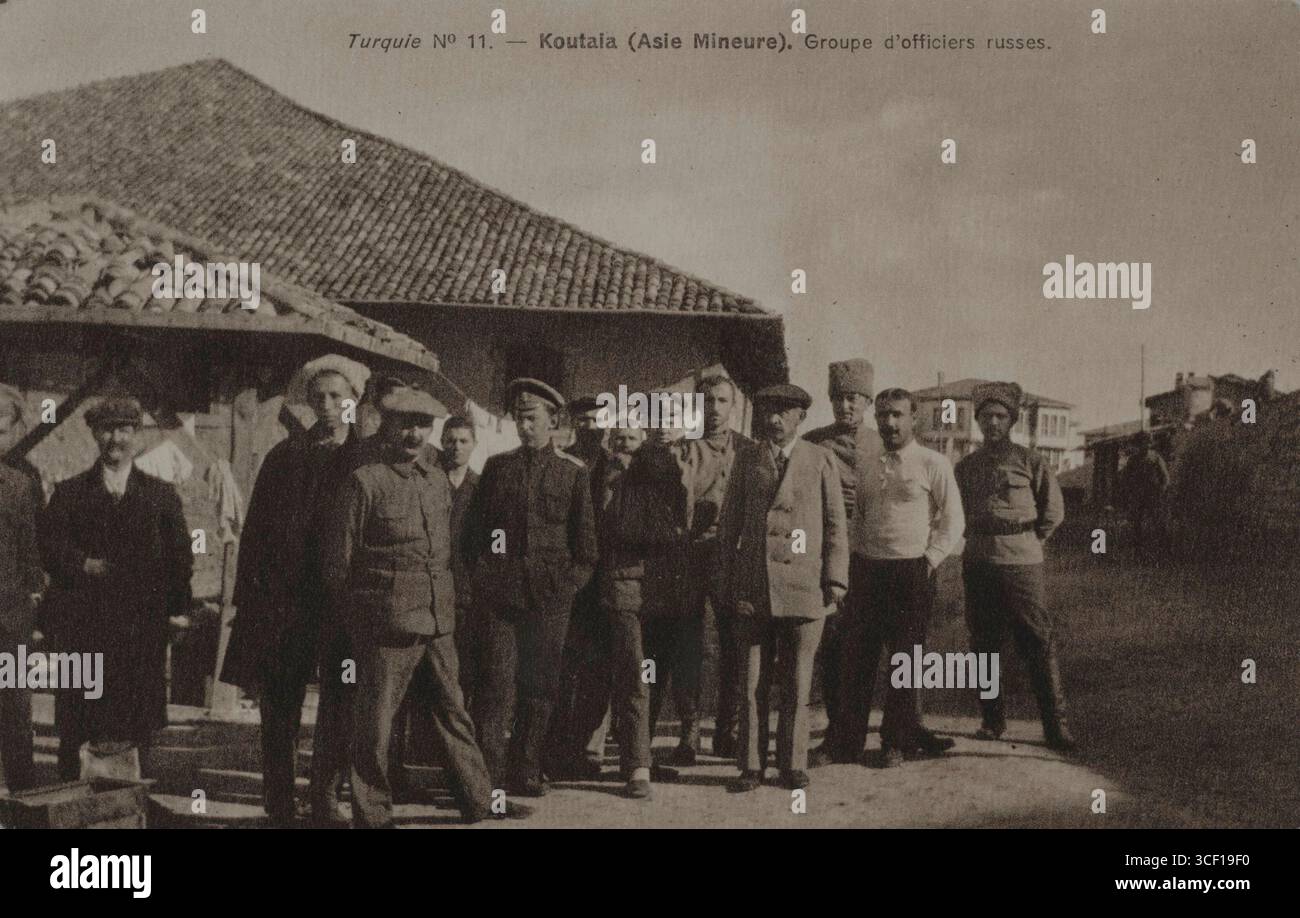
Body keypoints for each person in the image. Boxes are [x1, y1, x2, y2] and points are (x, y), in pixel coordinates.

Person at [321, 386, 521, 827]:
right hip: (386, 623)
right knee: (375, 725)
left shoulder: (435, 483)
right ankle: (372, 815)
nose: (414, 434)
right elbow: (338, 565)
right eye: (405, 423)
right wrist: (363, 619)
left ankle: (479, 801)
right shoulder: (365, 481)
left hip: (436, 619)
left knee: (453, 713)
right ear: (387, 426)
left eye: (422, 425)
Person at [221, 355, 367, 827]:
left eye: (337, 397)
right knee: (279, 705)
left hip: (343, 605)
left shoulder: (366, 461)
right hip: (286, 605)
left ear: (354, 403)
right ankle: (279, 802)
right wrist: (249, 601)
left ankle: (326, 797)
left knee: (341, 703)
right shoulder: (284, 458)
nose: (327, 406)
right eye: (318, 397)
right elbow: (256, 534)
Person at [39, 396, 192, 781]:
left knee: (135, 722)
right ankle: (72, 801)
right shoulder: (69, 493)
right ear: (94, 433)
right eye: (107, 429)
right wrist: (81, 564)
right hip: (84, 628)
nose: (115, 439)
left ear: (137, 435)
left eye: (125, 429)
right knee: (79, 721)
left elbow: (180, 559)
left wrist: (179, 610)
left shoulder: (161, 496)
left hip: (140, 629)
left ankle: (131, 807)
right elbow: (48, 548)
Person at [462, 378, 598, 797]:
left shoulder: (572, 475)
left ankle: (526, 769)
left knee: (540, 687)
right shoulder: (498, 468)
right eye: (519, 417)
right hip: (500, 598)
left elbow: (586, 548)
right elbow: (477, 534)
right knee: (497, 685)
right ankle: (487, 776)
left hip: (549, 599)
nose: (524, 425)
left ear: (553, 421)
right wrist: (485, 576)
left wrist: (566, 588)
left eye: (532, 417)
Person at [719, 384, 848, 791]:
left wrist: (836, 579)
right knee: (752, 679)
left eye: (782, 412)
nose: (773, 419)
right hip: (754, 588)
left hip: (805, 587)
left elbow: (835, 526)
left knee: (797, 680)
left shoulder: (821, 459)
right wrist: (727, 581)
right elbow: (729, 527)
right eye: (767, 411)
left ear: (800, 418)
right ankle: (751, 766)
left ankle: (793, 763)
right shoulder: (747, 459)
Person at [833, 387, 964, 768]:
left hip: (911, 571)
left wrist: (930, 560)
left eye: (898, 415)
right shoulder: (868, 463)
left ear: (913, 419)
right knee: (857, 659)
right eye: (884, 415)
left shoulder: (932, 462)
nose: (889, 422)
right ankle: (847, 742)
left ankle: (894, 741)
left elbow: (954, 519)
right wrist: (853, 562)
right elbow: (858, 518)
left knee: (905, 661)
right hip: (867, 570)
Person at [956, 382, 1074, 751]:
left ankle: (1056, 727)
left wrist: (1026, 540)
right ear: (977, 421)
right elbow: (955, 513)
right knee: (984, 643)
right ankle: (993, 722)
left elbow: (1052, 513)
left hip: (1022, 564)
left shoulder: (1031, 461)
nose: (993, 422)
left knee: (1037, 641)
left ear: (1011, 421)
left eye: (1000, 416)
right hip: (979, 562)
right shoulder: (966, 467)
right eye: (986, 416)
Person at [597, 423, 689, 797]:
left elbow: (680, 521)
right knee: (636, 675)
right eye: (619, 438)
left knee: (652, 673)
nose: (624, 445)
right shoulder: (611, 478)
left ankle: (641, 756)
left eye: (632, 439)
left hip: (659, 590)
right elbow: (607, 527)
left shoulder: (664, 473)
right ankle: (636, 766)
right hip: (624, 587)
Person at [671, 374, 753, 762]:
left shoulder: (750, 450)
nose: (715, 409)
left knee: (735, 644)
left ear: (733, 405)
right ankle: (689, 733)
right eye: (708, 401)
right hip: (689, 558)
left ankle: (729, 731)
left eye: (722, 401)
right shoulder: (682, 450)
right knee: (689, 646)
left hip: (733, 559)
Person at [803, 359, 874, 768]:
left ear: (866, 402)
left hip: (872, 554)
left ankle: (870, 732)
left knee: (864, 648)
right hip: (828, 552)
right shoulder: (813, 443)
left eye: (854, 399)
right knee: (832, 646)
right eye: (839, 398)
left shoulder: (882, 444)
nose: (846, 406)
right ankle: (836, 734)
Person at [546, 395, 614, 780]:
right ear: (573, 423)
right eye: (583, 421)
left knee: (597, 671)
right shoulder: (560, 462)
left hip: (601, 584)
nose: (591, 426)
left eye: (597, 420)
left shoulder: (615, 464)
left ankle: (585, 749)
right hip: (565, 581)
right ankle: (553, 748)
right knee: (559, 667)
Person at [0, 386, 44, 793]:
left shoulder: (22, 482)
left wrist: (34, 606)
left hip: (9, 616)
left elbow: (33, 553)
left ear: (15, 428)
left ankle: (22, 796)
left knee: (14, 707)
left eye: (1, 422)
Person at [1118, 431, 1169, 559]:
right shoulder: (1133, 460)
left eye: (1146, 443)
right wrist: (1128, 492)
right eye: (1141, 443)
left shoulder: (1155, 458)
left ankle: (1163, 551)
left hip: (1153, 494)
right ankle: (1138, 552)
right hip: (1138, 495)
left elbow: (1165, 477)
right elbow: (1126, 478)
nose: (1144, 446)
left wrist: (1161, 490)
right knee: (1136, 524)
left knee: (1158, 523)